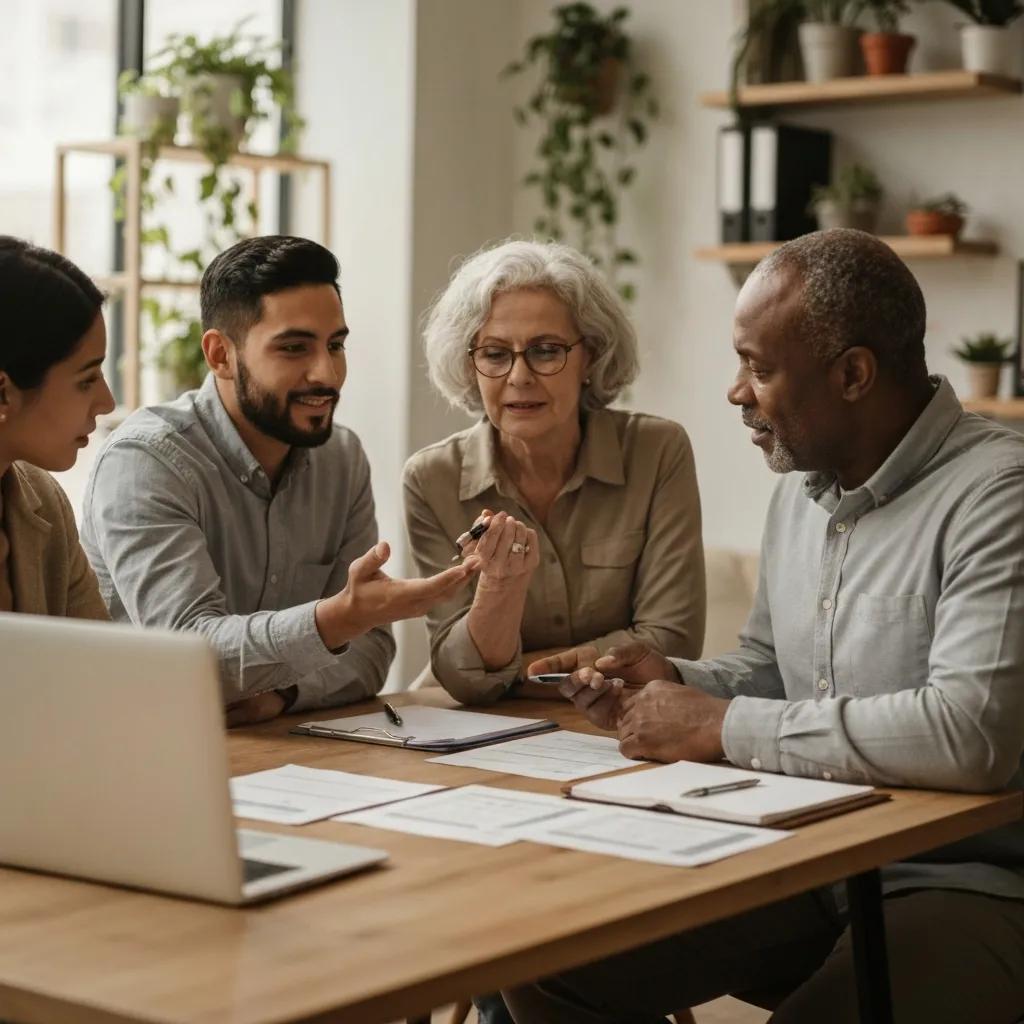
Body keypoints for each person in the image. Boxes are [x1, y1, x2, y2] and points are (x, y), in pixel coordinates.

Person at [509, 229, 1024, 1024]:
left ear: (853, 374)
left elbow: (971, 736)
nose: (735, 393)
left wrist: (720, 725)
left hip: (964, 881)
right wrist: (673, 682)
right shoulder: (803, 489)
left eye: (758, 366)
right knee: (546, 963)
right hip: (805, 859)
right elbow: (775, 667)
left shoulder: (998, 496)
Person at [82, 235, 478, 726]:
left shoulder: (342, 458)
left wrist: (285, 694)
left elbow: (372, 650)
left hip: (279, 746)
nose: (326, 373)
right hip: (146, 748)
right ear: (220, 355)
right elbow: (186, 653)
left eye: (336, 345)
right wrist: (337, 619)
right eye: (294, 348)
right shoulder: (146, 462)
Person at [404, 239, 706, 706]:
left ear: (590, 356)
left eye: (546, 351)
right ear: (470, 365)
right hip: (480, 731)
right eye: (495, 354)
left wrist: (512, 673)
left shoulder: (658, 452)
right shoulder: (431, 479)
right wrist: (501, 589)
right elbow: (462, 679)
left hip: (618, 723)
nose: (519, 377)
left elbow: (673, 643)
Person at [0, 236, 114, 618]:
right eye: (86, 380)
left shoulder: (45, 502)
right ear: (2, 394)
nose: (107, 402)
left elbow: (96, 663)